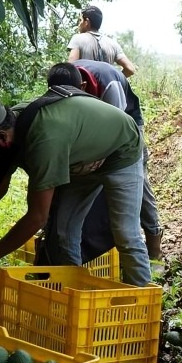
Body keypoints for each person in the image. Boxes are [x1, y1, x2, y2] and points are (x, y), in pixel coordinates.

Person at [0, 93, 151, 286]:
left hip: (121, 150)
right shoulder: (7, 131)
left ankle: (142, 305)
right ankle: (73, 293)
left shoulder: (43, 139)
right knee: (64, 232)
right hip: (78, 160)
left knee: (126, 233)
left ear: (1, 138)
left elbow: (37, 217)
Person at [47, 61, 164, 260]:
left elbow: (116, 132)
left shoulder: (109, 84)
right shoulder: (63, 79)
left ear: (82, 87)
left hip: (126, 128)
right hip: (93, 125)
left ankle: (154, 249)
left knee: (138, 182)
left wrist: (94, 161)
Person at [67, 5, 137, 79]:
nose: (79, 24)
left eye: (80, 20)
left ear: (87, 22)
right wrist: (114, 79)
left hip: (84, 89)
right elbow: (130, 69)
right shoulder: (113, 44)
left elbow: (71, 68)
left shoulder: (78, 38)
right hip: (108, 89)